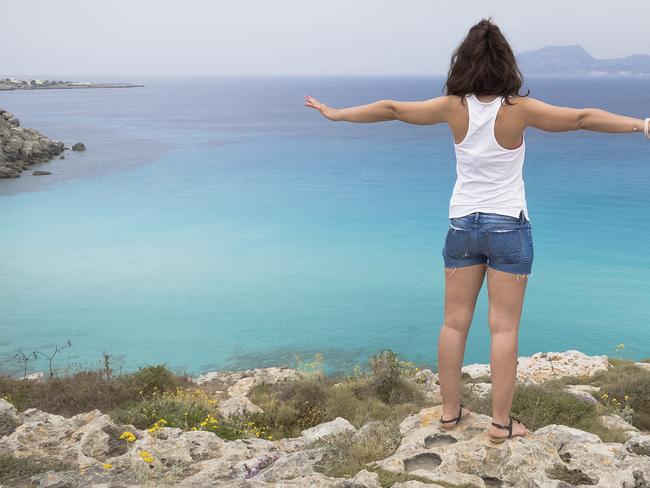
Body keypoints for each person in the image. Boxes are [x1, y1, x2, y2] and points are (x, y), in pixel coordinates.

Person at [304, 17, 650, 443]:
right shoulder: (518, 110)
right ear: (507, 64)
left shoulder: (453, 106)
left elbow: (392, 109)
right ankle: (501, 425)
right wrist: (642, 125)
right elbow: (580, 118)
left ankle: (450, 414)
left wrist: (335, 114)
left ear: (463, 63)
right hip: (509, 228)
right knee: (503, 329)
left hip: (462, 226)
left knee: (453, 325)